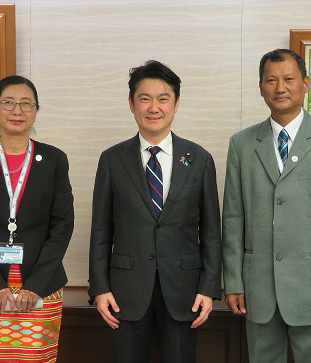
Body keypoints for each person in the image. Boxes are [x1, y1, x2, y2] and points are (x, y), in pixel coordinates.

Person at [222, 49, 311, 363]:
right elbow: (233, 217)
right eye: (271, 80)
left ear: (306, 84)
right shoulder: (242, 145)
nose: (279, 88)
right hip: (258, 290)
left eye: (288, 79)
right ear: (261, 87)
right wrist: (233, 281)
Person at [89, 60, 221, 363]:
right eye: (144, 98)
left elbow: (212, 233)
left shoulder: (198, 159)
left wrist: (209, 288)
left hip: (185, 292)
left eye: (163, 99)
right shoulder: (112, 159)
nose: (154, 107)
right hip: (125, 292)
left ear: (175, 105)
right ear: (132, 104)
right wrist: (99, 288)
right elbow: (100, 231)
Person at [0, 75, 74, 363]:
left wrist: (36, 285)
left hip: (40, 287)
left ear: (35, 111)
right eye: (8, 103)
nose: (17, 111)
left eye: (26, 104)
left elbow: (63, 224)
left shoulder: (54, 160)